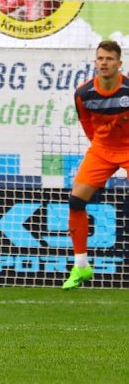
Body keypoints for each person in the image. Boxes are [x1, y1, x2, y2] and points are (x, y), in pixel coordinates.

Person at [63, 40, 129, 289]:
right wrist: (102, 150)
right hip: (101, 150)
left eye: (109, 59)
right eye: (100, 58)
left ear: (119, 64)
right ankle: (81, 267)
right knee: (76, 201)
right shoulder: (83, 94)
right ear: (95, 62)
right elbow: (88, 126)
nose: (104, 63)